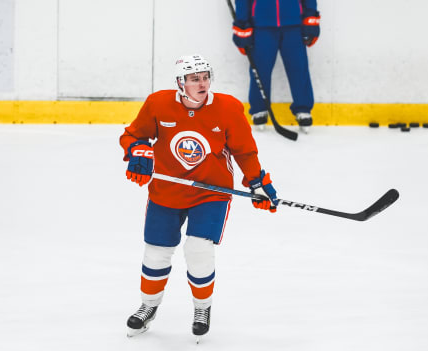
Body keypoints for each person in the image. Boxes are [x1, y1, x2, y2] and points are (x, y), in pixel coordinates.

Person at [119, 54, 280, 340]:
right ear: (181, 83)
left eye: (206, 77)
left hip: (210, 191)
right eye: (195, 79)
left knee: (198, 249)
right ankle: (148, 306)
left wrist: (256, 182)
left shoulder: (228, 108)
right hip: (166, 191)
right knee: (156, 252)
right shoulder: (158, 103)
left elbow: (244, 150)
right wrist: (137, 152)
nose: (202, 83)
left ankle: (202, 308)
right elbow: (132, 136)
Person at [232, 0, 320, 133]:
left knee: (298, 67)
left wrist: (310, 19)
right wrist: (242, 24)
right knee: (260, 69)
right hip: (261, 26)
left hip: (294, 24)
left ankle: (303, 108)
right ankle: (259, 109)